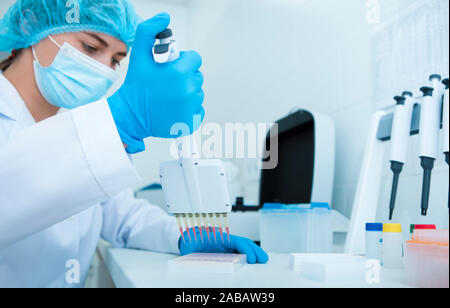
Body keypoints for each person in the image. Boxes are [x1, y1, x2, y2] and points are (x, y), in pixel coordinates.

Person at [0, 0, 268, 288]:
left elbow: (123, 216)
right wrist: (122, 120)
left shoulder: (75, 132)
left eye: (116, 60)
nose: (104, 69)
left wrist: (183, 235)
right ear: (29, 23)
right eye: (91, 47)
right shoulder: (77, 136)